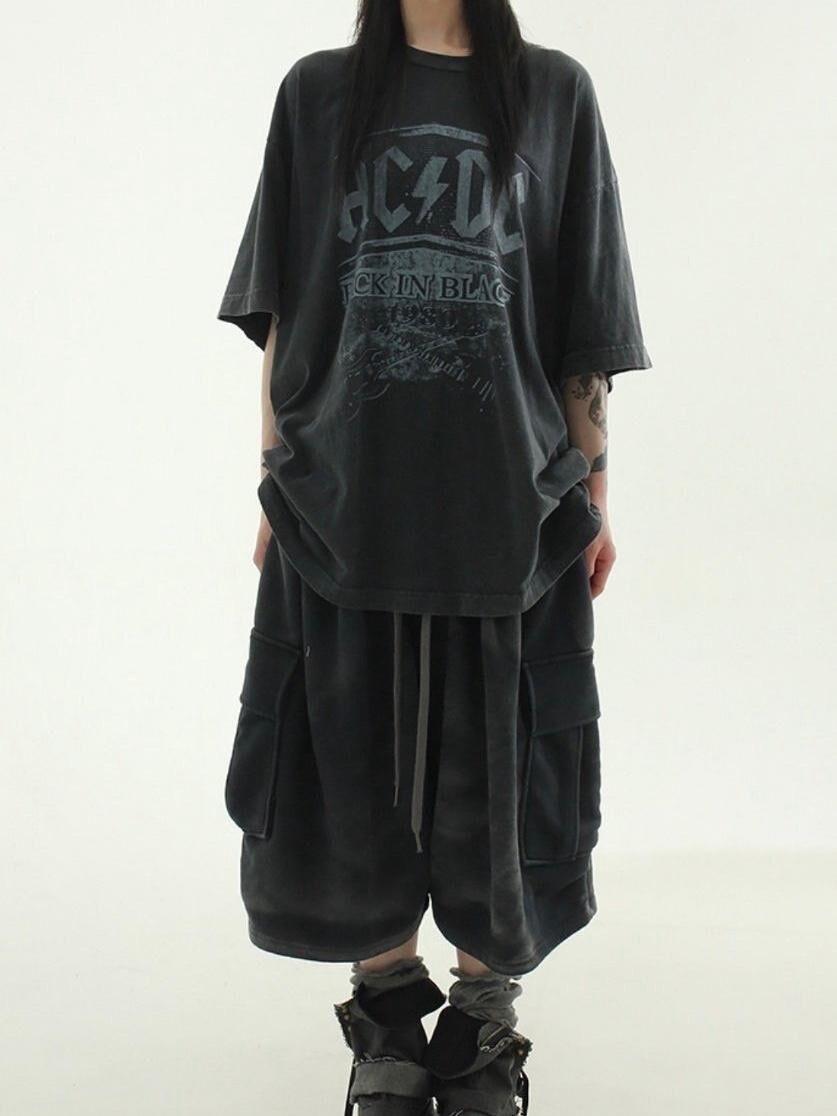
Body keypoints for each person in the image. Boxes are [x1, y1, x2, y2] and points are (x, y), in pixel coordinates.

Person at [217, 2, 652, 1112]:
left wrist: (594, 487)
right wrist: (274, 471)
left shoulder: (552, 91)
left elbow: (584, 311)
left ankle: (482, 1023)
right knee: (346, 755)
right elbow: (282, 303)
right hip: (344, 494)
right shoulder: (319, 92)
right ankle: (386, 1022)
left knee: (501, 775)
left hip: (506, 500)